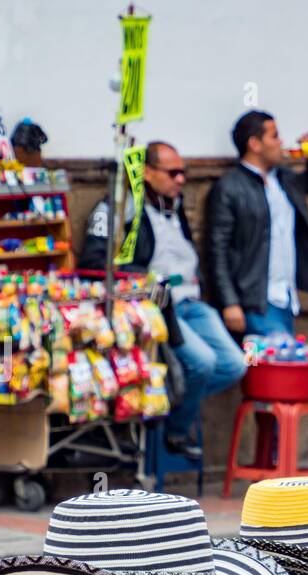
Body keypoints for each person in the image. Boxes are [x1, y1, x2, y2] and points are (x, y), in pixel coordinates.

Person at [79, 141, 245, 459]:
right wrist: (143, 277)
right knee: (202, 362)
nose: (180, 180)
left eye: (183, 172)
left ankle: (166, 407)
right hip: (159, 307)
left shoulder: (174, 205)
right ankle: (176, 431)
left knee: (234, 364)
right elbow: (94, 259)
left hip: (192, 301)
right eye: (173, 173)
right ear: (147, 173)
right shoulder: (118, 208)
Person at [206, 111, 308, 338]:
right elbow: (217, 250)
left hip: (285, 295)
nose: (281, 142)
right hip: (255, 299)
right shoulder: (230, 187)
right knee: (269, 364)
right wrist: (230, 302)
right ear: (255, 144)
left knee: (267, 366)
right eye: (274, 136)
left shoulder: (283, 179)